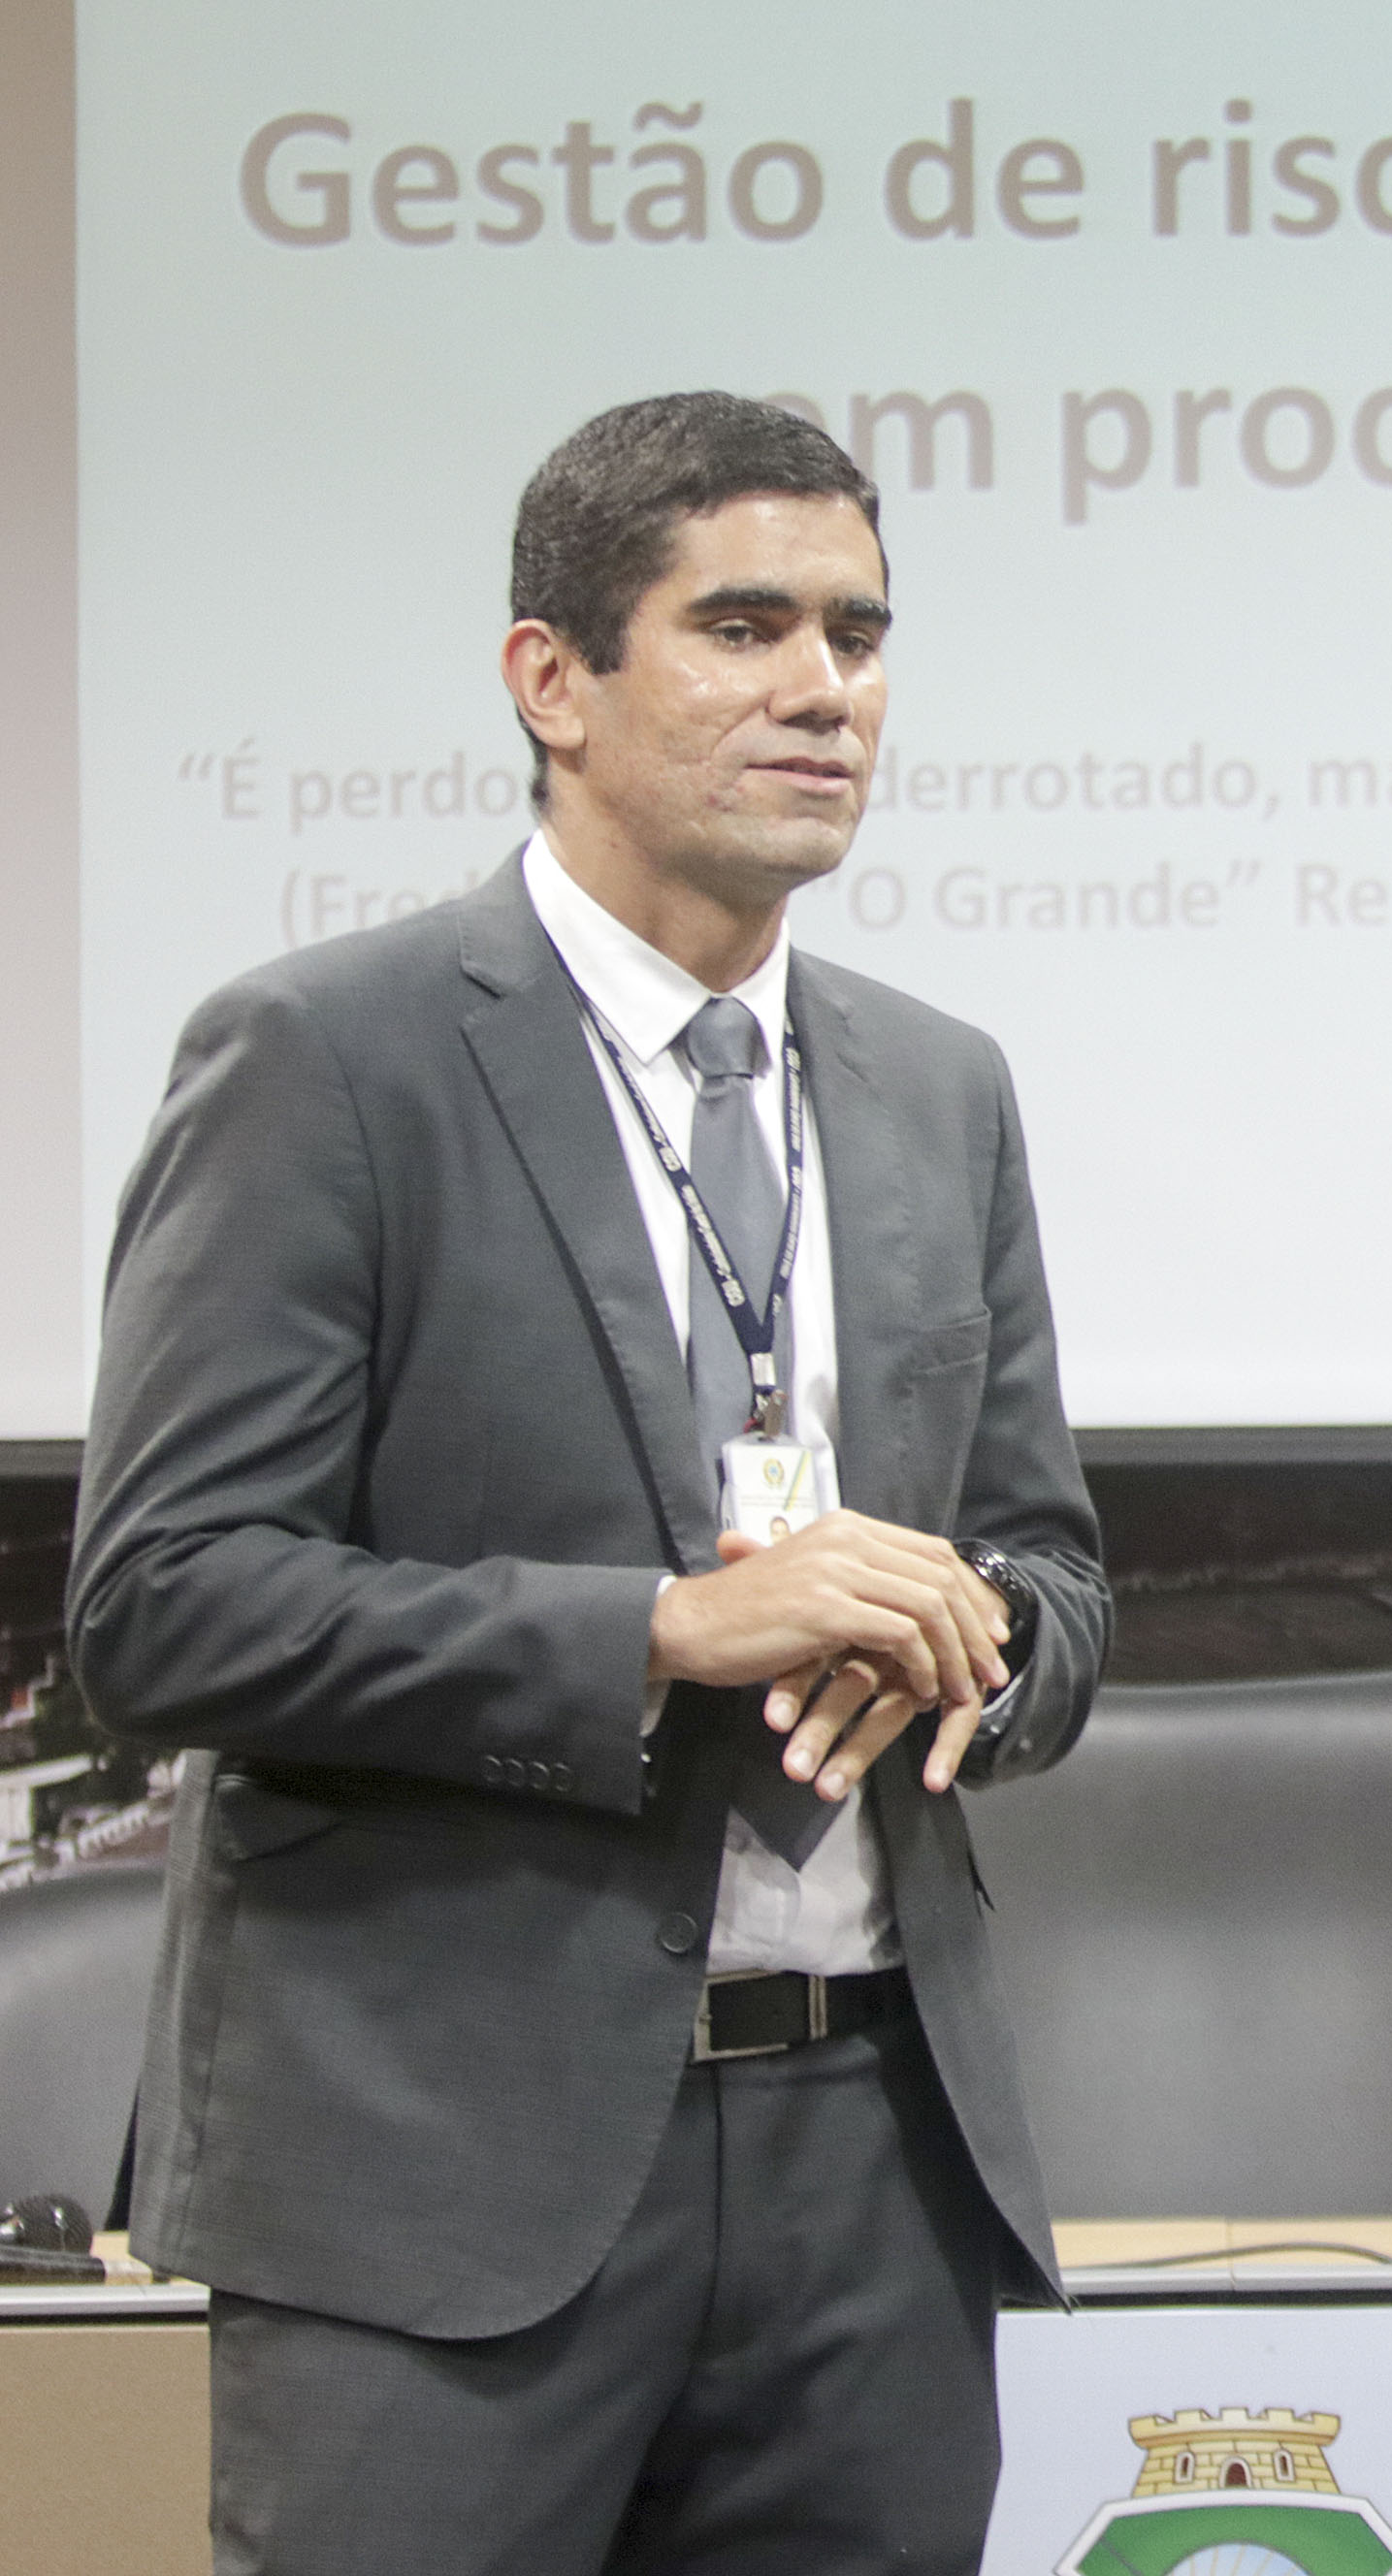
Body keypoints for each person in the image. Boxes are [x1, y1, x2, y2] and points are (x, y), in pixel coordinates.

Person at [68, 392, 1110, 2572]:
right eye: (745, 627)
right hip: (439, 2179)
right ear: (553, 679)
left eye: (858, 635)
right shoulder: (327, 1057)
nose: (824, 688)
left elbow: (1055, 1577)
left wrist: (977, 1637)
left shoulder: (939, 1088)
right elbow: (163, 1600)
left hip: (872, 2161)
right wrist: (659, 1630)